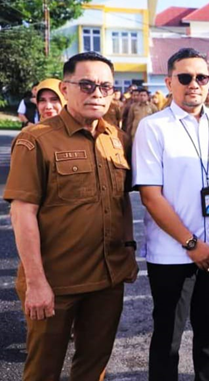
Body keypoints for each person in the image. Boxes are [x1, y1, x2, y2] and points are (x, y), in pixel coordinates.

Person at [3, 51, 138, 380]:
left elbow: (129, 201)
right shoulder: (35, 140)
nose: (97, 93)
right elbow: (22, 213)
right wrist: (36, 283)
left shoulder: (117, 140)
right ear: (66, 88)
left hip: (107, 281)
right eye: (87, 84)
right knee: (43, 372)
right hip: (56, 283)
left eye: (105, 86)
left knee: (93, 370)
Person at [133, 47, 209, 381]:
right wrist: (191, 243)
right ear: (170, 81)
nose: (193, 84)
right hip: (172, 253)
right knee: (167, 339)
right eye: (185, 77)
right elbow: (150, 196)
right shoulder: (152, 128)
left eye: (201, 77)